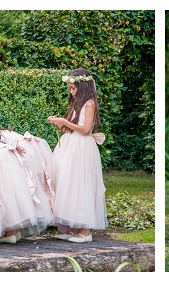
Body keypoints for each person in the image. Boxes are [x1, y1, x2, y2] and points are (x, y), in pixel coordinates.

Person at [47, 68, 107, 243]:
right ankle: (71, 227)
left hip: (82, 148)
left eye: (73, 88)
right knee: (67, 183)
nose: (71, 92)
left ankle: (85, 231)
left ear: (83, 87)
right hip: (70, 146)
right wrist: (60, 123)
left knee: (81, 184)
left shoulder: (89, 103)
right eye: (70, 89)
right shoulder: (76, 104)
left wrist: (65, 122)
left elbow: (86, 130)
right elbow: (72, 128)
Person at [0, 125, 56, 210]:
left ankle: (41, 206)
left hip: (22, 148)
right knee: (40, 178)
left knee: (31, 180)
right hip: (32, 145)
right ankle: (49, 204)